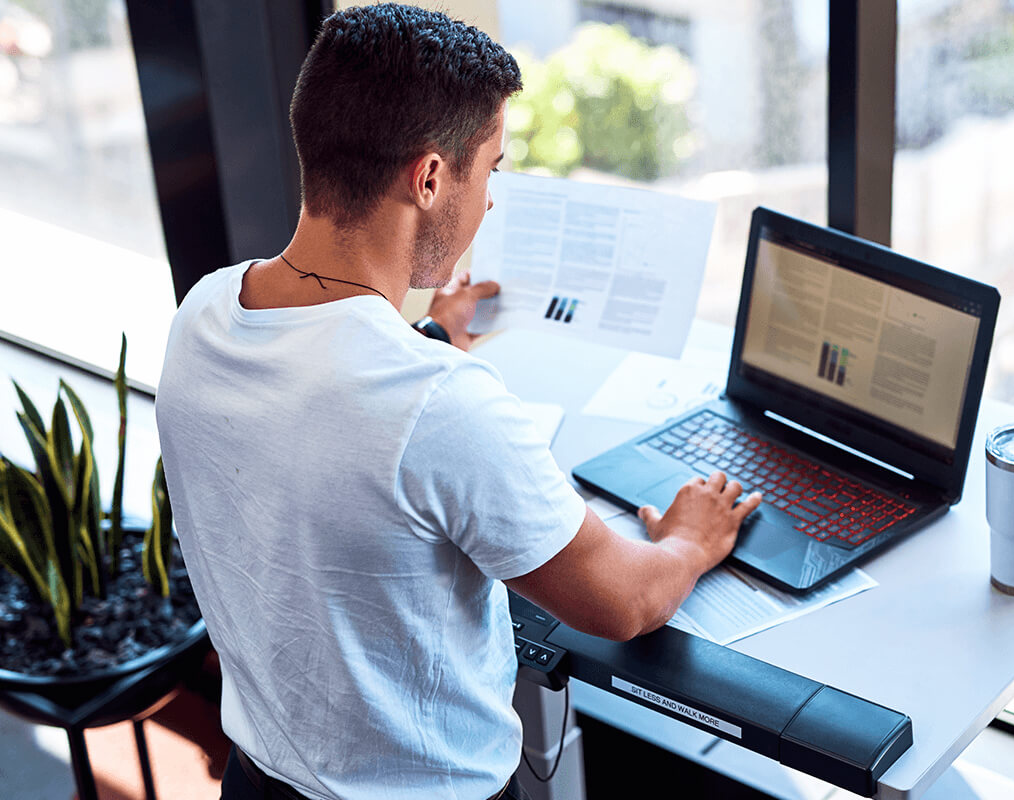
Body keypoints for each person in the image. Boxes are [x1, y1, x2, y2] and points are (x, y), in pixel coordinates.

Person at [155, 5, 761, 800]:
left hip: (259, 776)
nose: (491, 203)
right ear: (432, 178)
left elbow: (322, 417)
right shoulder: (441, 407)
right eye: (492, 171)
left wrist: (431, 332)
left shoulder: (204, 313)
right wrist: (688, 540)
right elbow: (621, 601)